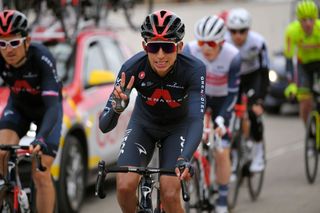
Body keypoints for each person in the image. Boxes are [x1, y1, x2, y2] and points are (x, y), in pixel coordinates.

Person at [99, 9, 206, 213]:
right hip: (144, 125)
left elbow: (195, 120)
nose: (160, 55)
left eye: (167, 47)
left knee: (170, 193)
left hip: (178, 128)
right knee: (123, 187)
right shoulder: (131, 68)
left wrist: (185, 157)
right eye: (153, 47)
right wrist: (117, 109)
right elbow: (105, 126)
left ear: (180, 47)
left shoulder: (194, 70)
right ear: (144, 46)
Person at [0, 10, 62, 213]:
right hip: (18, 108)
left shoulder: (42, 57)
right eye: (2, 43)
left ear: (27, 41)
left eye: (14, 42)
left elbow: (53, 106)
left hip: (47, 112)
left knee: (41, 172)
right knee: (1, 152)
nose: (8, 49)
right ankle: (11, 191)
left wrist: (41, 138)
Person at [183, 15, 241, 213]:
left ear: (222, 42)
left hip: (223, 101)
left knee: (221, 150)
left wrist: (221, 119)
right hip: (200, 97)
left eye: (211, 43)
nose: (205, 48)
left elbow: (234, 94)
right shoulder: (190, 50)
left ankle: (223, 198)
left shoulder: (233, 57)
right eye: (201, 42)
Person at [225, 8, 269, 173]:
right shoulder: (224, 42)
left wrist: (261, 100)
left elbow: (265, 71)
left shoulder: (258, 42)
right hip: (235, 78)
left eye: (242, 31)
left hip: (254, 77)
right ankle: (235, 157)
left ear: (248, 30)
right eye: (233, 31)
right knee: (231, 117)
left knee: (253, 112)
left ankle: (258, 154)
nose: (238, 35)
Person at [284, 0, 320, 125]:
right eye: (304, 20)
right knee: (305, 101)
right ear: (298, 20)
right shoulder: (292, 31)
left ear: (316, 18)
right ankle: (310, 131)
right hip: (304, 65)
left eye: (311, 19)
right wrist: (291, 83)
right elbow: (288, 59)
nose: (308, 24)